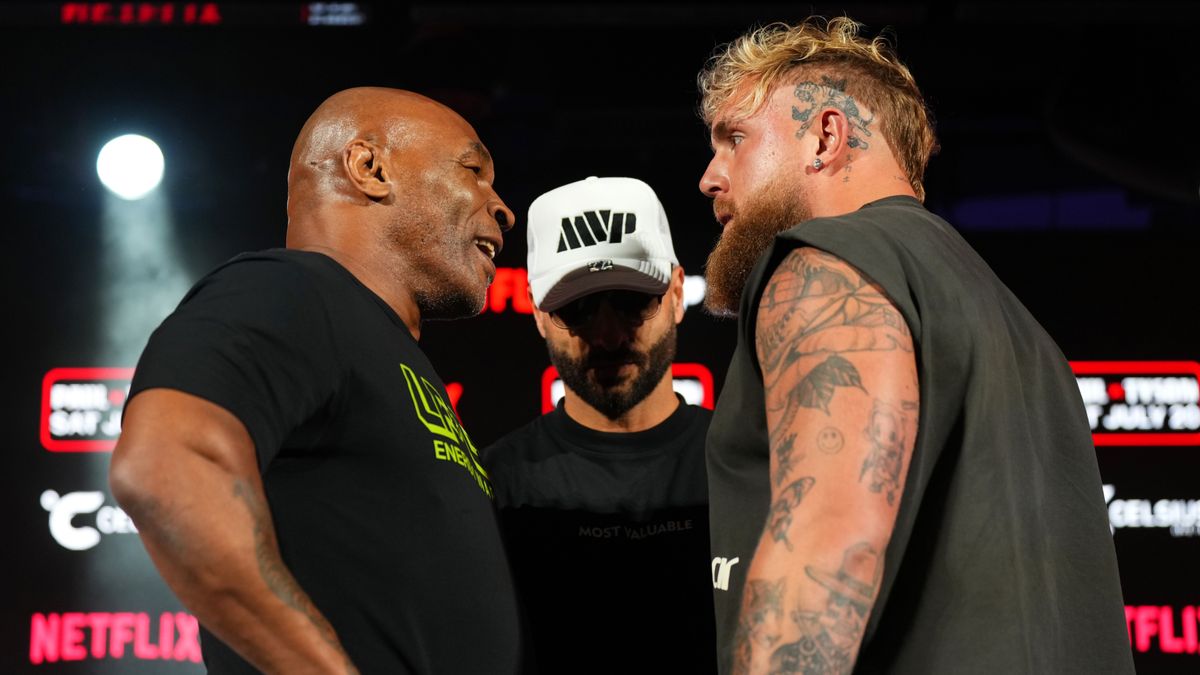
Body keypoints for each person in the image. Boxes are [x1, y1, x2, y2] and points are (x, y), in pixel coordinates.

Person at [695, 17, 1133, 674]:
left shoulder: (823, 267)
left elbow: (829, 543)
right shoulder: (1024, 333)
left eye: (735, 139)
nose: (710, 176)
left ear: (825, 135)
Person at [109, 87, 521, 674]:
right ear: (369, 168)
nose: (502, 206)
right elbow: (165, 468)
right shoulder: (294, 290)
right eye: (474, 171)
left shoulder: (382, 346)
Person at [483, 176, 717, 674]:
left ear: (677, 294)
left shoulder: (742, 464)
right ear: (540, 315)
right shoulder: (495, 487)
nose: (608, 337)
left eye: (632, 300)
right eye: (578, 308)